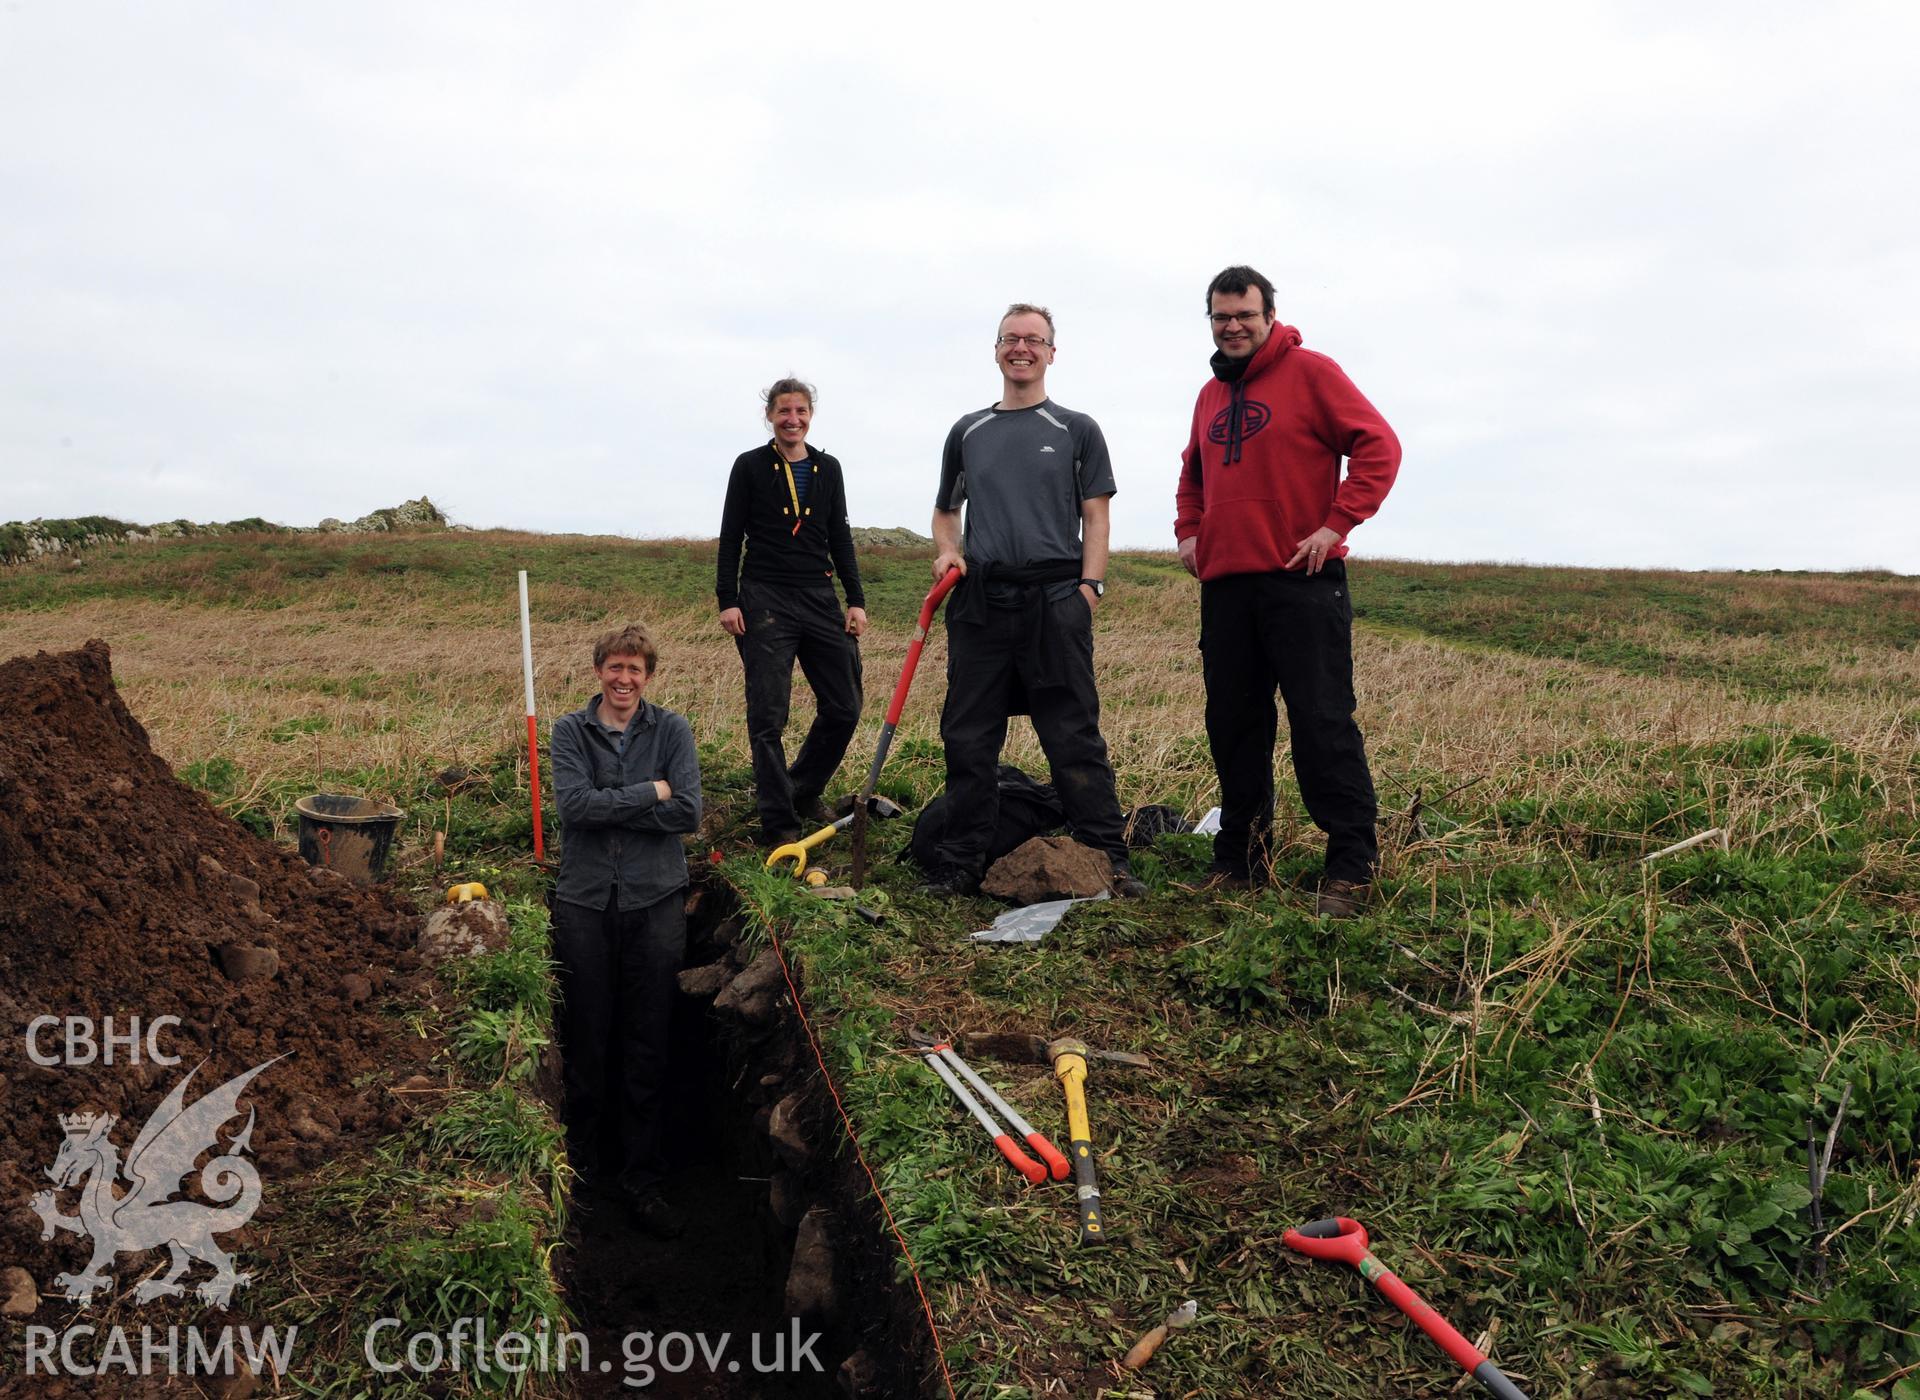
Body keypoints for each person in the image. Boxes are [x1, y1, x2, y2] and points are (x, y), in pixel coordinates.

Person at [1173, 265, 1401, 917]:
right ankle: (1241, 858)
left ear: (1269, 315)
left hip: (1302, 584)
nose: (1233, 326)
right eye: (1221, 316)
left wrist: (1336, 524)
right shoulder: (1209, 395)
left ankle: (1351, 864)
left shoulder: (1313, 373)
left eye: (1244, 314)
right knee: (1234, 724)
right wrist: (1189, 531)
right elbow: (1191, 473)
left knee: (1322, 722)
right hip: (1227, 590)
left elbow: (1379, 446)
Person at [925, 303, 1144, 898]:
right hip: (981, 601)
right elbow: (947, 510)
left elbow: (1096, 517)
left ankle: (1107, 858)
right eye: (1011, 339)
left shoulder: (1076, 429)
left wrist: (1088, 591)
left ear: (1052, 352)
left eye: (1035, 339)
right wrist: (949, 552)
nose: (1022, 348)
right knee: (968, 736)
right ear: (996, 350)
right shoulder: (967, 430)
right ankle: (960, 861)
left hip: (1055, 597)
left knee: (1072, 733)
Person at [548, 623, 702, 1235]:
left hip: (656, 901)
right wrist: (648, 793)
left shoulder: (673, 731)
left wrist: (619, 802)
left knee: (649, 1039)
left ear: (649, 676)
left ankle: (643, 1178)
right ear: (598, 672)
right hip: (584, 902)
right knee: (587, 1038)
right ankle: (577, 1179)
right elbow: (572, 809)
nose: (623, 679)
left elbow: (687, 811)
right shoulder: (569, 731)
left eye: (635, 669)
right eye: (614, 667)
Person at [716, 377, 867, 847]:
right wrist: (728, 600)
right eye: (784, 411)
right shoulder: (749, 466)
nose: (792, 419)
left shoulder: (829, 468)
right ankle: (779, 824)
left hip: (819, 597)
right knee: (768, 717)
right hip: (764, 599)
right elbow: (730, 536)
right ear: (770, 416)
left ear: (811, 415)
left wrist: (856, 599)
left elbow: (840, 536)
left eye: (801, 411)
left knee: (845, 706)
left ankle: (801, 791)